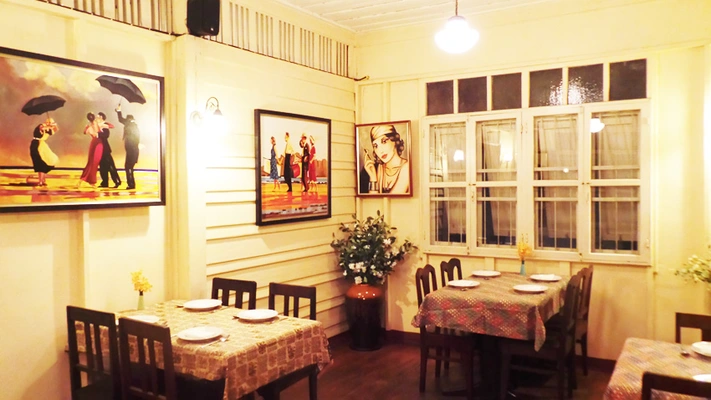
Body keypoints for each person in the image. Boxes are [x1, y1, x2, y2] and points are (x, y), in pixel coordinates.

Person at [362, 124, 410, 194]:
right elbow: (373, 199)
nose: (380, 150)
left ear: (395, 140)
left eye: (384, 141)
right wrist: (373, 177)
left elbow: (394, 198)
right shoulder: (377, 168)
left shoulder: (407, 167)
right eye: (375, 146)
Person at [28, 118, 59, 187]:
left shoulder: (48, 129)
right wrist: (50, 126)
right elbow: (42, 128)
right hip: (36, 145)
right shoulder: (41, 126)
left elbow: (55, 130)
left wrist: (54, 125)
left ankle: (42, 180)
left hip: (42, 146)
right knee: (40, 163)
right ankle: (40, 181)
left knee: (45, 163)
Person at [78, 112, 105, 187]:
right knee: (94, 163)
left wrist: (87, 127)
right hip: (98, 143)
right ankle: (90, 181)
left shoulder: (89, 126)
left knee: (91, 162)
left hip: (94, 143)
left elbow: (85, 132)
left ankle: (85, 179)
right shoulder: (96, 124)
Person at [116, 106, 140, 190]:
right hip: (133, 150)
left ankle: (131, 184)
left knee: (128, 167)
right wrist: (118, 110)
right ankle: (131, 184)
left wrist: (119, 111)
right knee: (129, 167)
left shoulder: (130, 125)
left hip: (131, 151)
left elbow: (121, 119)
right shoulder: (134, 126)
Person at [96, 112, 120, 188]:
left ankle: (117, 181)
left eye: (98, 117)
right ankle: (105, 182)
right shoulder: (97, 125)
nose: (96, 118)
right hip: (99, 149)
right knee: (102, 167)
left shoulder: (105, 125)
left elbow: (106, 135)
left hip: (105, 149)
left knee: (110, 166)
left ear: (101, 117)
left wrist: (98, 134)